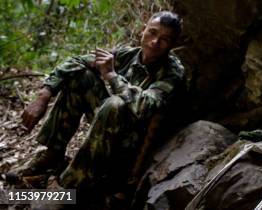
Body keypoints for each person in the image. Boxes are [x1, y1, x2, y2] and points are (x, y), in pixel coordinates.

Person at [7, 11, 185, 194]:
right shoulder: (127, 54)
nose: (155, 42)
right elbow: (77, 61)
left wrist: (112, 77)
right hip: (106, 126)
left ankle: (69, 186)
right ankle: (53, 154)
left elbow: (145, 106)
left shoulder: (173, 72)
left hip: (133, 146)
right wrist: (44, 95)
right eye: (152, 32)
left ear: (172, 44)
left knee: (115, 103)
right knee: (80, 75)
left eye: (164, 39)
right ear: (143, 30)